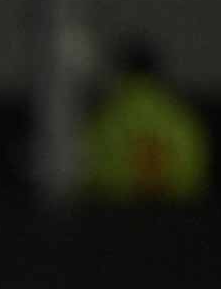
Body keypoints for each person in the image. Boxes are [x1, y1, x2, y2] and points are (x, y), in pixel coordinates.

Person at [81, 38, 211, 205]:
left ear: (122, 71)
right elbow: (195, 171)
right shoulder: (179, 117)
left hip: (116, 216)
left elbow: (89, 169)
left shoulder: (107, 117)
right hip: (175, 217)